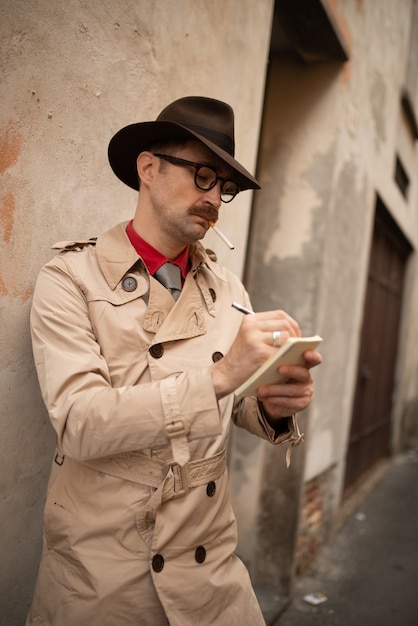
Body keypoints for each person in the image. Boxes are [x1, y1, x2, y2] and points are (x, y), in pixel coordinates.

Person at [26, 96, 322, 626]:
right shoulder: (71, 278)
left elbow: (237, 405)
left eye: (224, 188)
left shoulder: (228, 289)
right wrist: (220, 376)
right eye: (203, 175)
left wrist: (274, 405)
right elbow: (78, 422)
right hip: (106, 574)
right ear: (148, 168)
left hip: (211, 571)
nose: (215, 199)